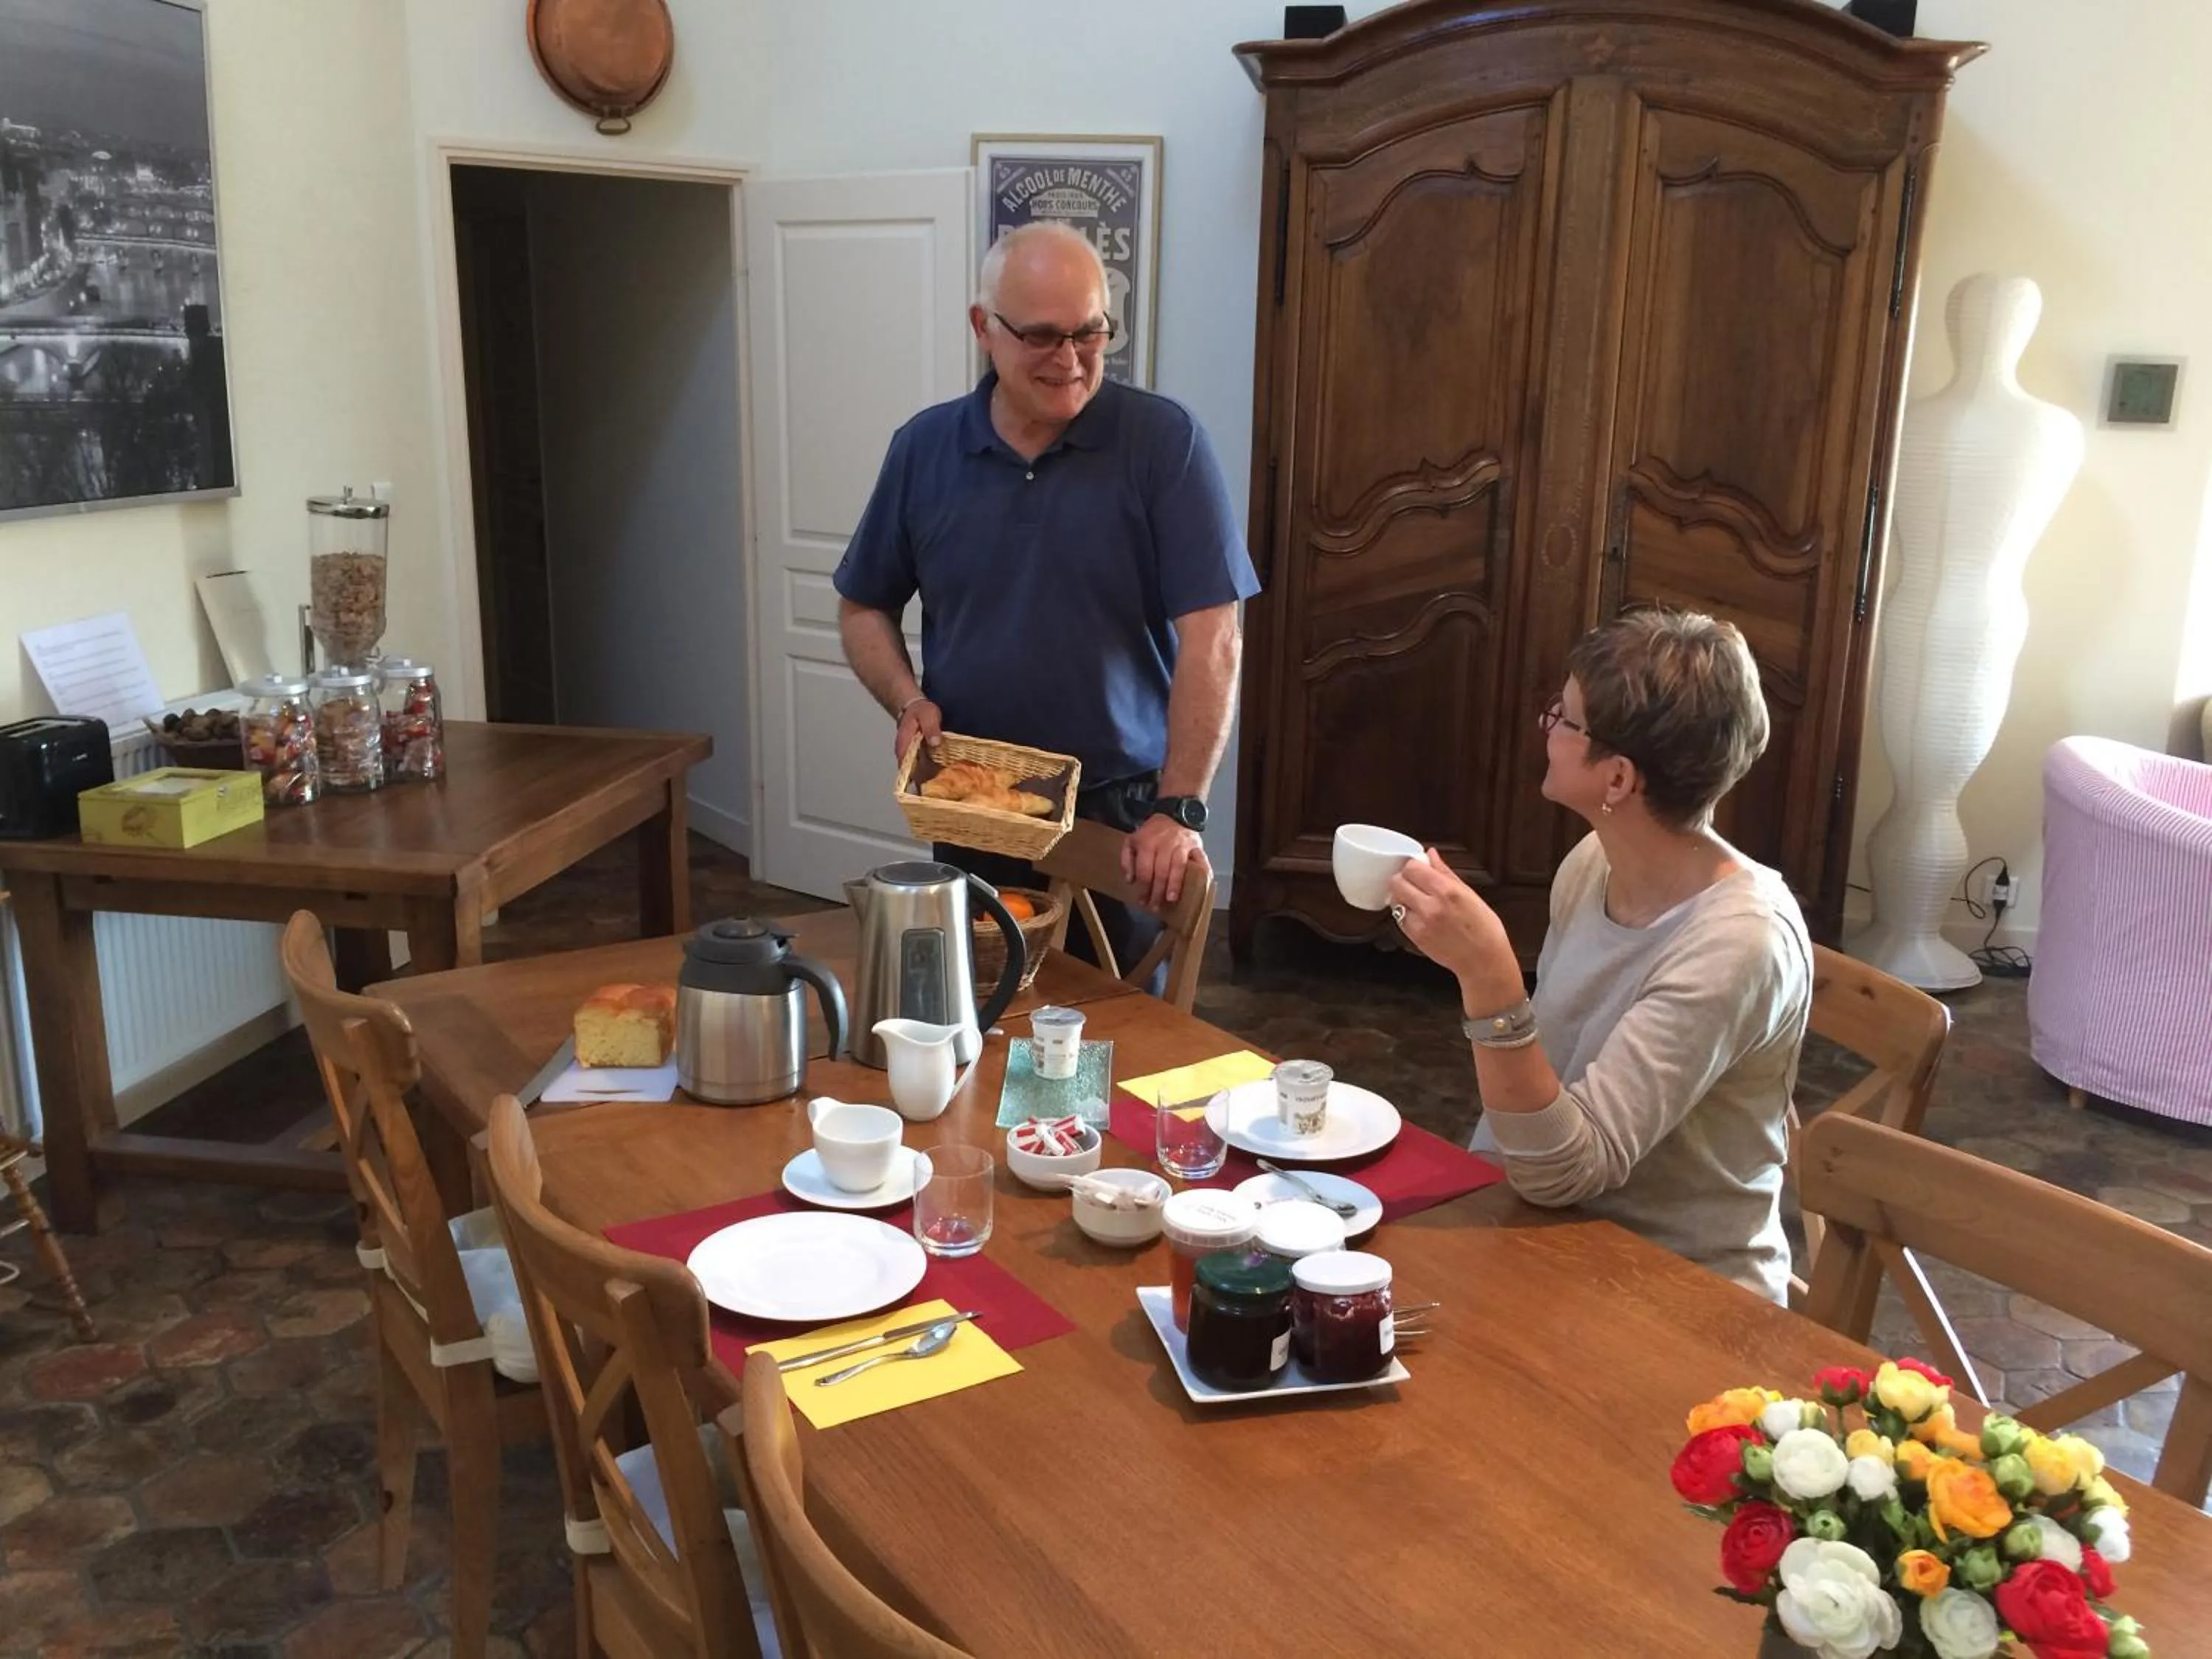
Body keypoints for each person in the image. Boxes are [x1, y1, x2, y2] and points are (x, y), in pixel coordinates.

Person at [835, 222, 1257, 979]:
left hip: (1121, 813)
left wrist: (1179, 807)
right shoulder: (924, 449)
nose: (1069, 361)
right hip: (973, 799)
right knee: (974, 1023)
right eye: (1040, 336)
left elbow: (1215, 639)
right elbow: (863, 606)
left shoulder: (1165, 443)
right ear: (983, 329)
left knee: (1119, 1042)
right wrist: (906, 702)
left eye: (1090, 333)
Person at [1386, 608, 1813, 1302]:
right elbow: (1543, 1126)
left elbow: (1564, 1171)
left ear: (1617, 780)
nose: (1546, 726)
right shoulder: (1593, 863)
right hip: (1544, 1239)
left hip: (1673, 1296)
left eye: (1566, 718)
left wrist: (1489, 977)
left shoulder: (1740, 941)